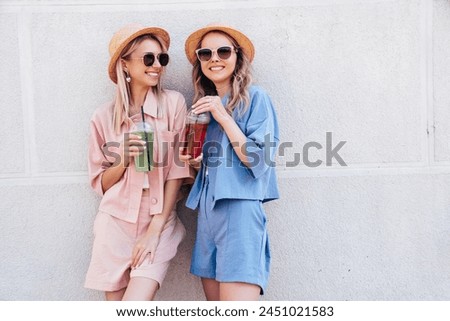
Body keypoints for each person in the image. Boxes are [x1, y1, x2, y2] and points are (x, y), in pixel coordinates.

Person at [84, 24, 190, 301]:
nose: (157, 65)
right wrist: (122, 160)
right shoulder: (103, 116)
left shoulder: (173, 104)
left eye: (161, 58)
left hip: (159, 219)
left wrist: (156, 228)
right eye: (148, 58)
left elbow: (177, 171)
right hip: (115, 223)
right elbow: (101, 182)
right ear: (125, 64)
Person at [182, 24, 280, 300]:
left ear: (237, 57)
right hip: (207, 215)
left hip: (240, 212)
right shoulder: (202, 107)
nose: (215, 58)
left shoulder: (256, 98)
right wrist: (195, 163)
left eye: (224, 51)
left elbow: (258, 161)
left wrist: (223, 116)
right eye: (206, 53)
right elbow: (220, 166)